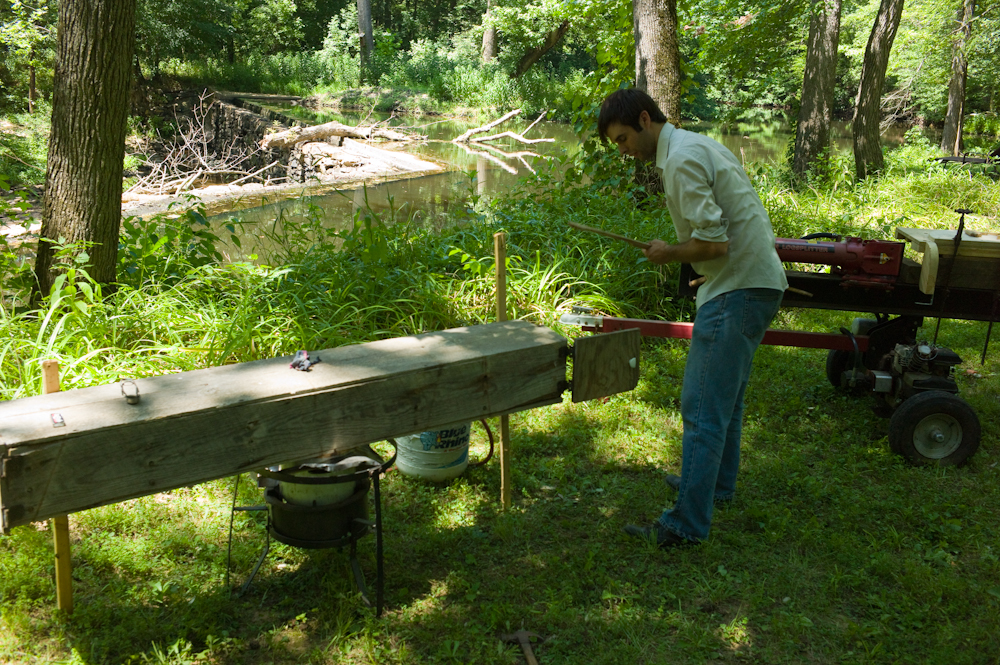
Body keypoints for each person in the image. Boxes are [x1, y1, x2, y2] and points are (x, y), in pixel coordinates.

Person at [597, 88, 788, 548]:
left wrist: (669, 253)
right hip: (756, 282)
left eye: (623, 139)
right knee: (726, 402)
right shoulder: (693, 145)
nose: (623, 151)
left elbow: (715, 244)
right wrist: (696, 264)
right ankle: (715, 487)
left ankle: (685, 525)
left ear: (644, 120)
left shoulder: (680, 160)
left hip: (738, 288)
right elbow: (722, 236)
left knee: (701, 409)